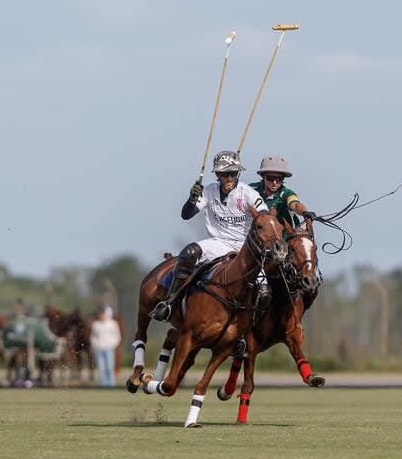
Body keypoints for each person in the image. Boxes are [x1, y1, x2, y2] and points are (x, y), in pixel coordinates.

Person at [149, 150, 269, 322]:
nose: (228, 178)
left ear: (237, 174)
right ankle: (169, 303)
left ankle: (251, 328)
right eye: (224, 174)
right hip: (217, 243)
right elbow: (186, 214)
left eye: (232, 174)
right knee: (189, 253)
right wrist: (191, 199)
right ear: (218, 175)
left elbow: (264, 215)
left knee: (265, 291)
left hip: (245, 248)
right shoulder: (209, 191)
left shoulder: (249, 194)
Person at [249, 156, 316, 228]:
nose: (274, 182)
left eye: (279, 179)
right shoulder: (250, 190)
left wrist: (304, 212)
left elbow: (295, 204)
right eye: (270, 178)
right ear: (263, 177)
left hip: (284, 237)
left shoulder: (287, 193)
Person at [90, 306, 121, 387]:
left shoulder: (112, 323)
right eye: (100, 314)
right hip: (99, 349)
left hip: (109, 349)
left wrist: (113, 345)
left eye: (103, 314)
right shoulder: (96, 324)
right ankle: (103, 384)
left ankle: (111, 384)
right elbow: (93, 337)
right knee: (102, 368)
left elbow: (117, 336)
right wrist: (96, 344)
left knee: (110, 367)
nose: (102, 315)